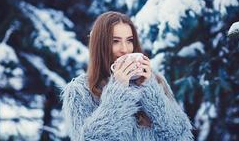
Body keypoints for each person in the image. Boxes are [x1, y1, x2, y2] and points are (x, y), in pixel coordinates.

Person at [61, 11, 193, 141]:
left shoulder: (154, 82)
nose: (125, 49)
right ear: (100, 45)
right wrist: (119, 90)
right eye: (115, 41)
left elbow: (179, 135)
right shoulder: (79, 91)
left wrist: (150, 89)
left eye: (129, 40)